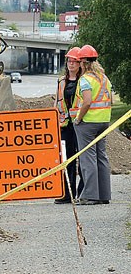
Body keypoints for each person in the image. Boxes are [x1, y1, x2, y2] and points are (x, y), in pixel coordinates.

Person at [71, 45, 112, 205]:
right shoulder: (104, 78)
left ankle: (90, 195)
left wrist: (78, 119)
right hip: (104, 121)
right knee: (101, 157)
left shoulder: (85, 79)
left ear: (82, 63)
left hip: (88, 122)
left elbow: (87, 101)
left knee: (87, 159)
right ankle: (103, 195)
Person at [54, 47, 84, 203]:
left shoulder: (84, 80)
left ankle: (82, 193)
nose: (71, 64)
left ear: (80, 64)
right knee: (68, 160)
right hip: (65, 125)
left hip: (81, 124)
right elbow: (57, 103)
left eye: (75, 61)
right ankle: (68, 193)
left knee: (83, 160)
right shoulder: (61, 81)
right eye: (69, 61)